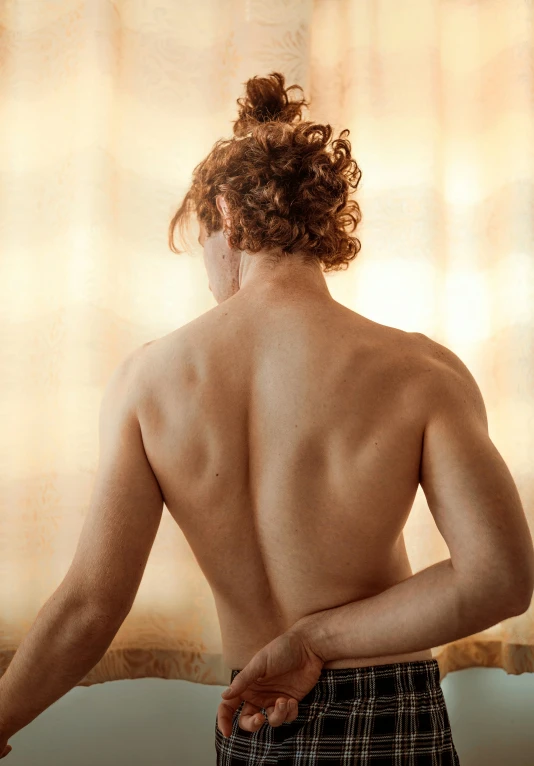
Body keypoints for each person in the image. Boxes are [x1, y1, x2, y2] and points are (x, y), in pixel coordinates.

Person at [162, 72, 533, 764]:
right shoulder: (423, 371)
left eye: (206, 245)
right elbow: (501, 578)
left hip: (250, 708)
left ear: (229, 216)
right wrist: (315, 640)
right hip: (394, 708)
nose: (211, 278)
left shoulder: (152, 378)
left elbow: (89, 605)